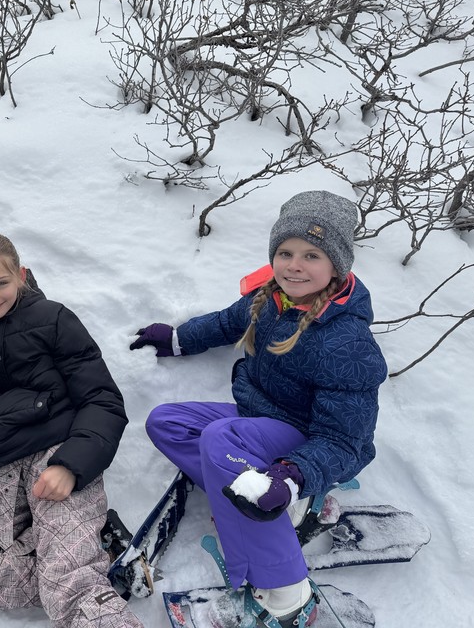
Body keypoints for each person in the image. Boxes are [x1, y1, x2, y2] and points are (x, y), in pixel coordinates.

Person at [133, 190, 387, 628]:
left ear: (336, 266)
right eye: (286, 252)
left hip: (308, 439)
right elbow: (227, 323)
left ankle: (289, 595)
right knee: (167, 423)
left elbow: (347, 440)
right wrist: (177, 339)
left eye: (312, 255)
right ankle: (252, 497)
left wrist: (296, 474)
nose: (295, 265)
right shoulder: (270, 298)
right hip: (257, 420)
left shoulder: (348, 343)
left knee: (218, 439)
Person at [0, 233, 143, 628]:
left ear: (21, 275)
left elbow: (102, 400)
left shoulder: (54, 319)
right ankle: (97, 556)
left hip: (55, 453)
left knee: (71, 582)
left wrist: (71, 466)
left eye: (1, 283)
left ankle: (79, 577)